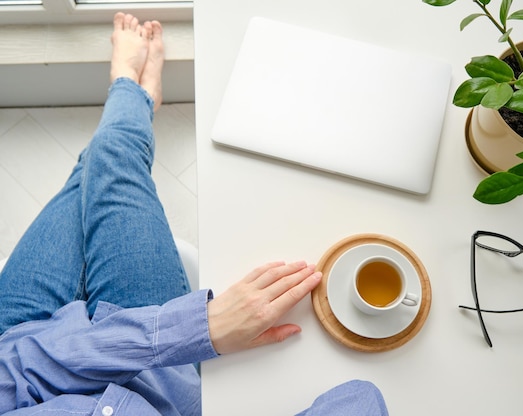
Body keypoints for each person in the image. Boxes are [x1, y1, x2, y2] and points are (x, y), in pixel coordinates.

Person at [0, 13, 389, 415]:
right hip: (158, 380)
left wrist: (202, 328)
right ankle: (129, 100)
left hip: (20, 344)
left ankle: (129, 98)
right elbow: (361, 400)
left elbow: (20, 367)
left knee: (104, 162)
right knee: (107, 161)